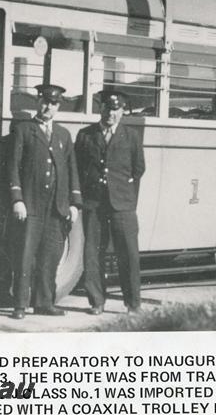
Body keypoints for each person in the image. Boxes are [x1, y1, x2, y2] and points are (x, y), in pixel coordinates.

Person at [8, 84, 82, 320]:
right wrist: (17, 199)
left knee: (50, 257)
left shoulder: (63, 135)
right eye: (44, 102)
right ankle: (20, 305)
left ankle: (44, 302)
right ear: (38, 102)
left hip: (56, 208)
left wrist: (74, 204)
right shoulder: (24, 130)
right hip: (31, 205)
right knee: (25, 256)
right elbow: (13, 167)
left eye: (53, 103)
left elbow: (72, 171)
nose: (48, 106)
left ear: (58, 106)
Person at [76, 89, 145, 315]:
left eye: (116, 109)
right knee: (93, 253)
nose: (110, 114)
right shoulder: (85, 135)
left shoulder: (132, 136)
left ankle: (133, 303)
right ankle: (97, 301)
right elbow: (78, 167)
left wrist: (125, 194)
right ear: (100, 109)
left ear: (123, 111)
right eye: (107, 108)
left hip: (122, 205)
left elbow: (138, 168)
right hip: (94, 204)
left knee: (128, 253)